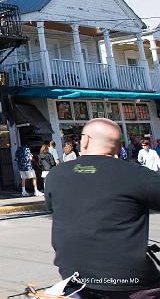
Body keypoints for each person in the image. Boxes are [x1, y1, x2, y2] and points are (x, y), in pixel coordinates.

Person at [45, 118, 160, 297]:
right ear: (118, 145)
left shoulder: (55, 175)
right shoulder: (136, 174)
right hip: (129, 280)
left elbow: (55, 207)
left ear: (85, 140)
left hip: (74, 276)